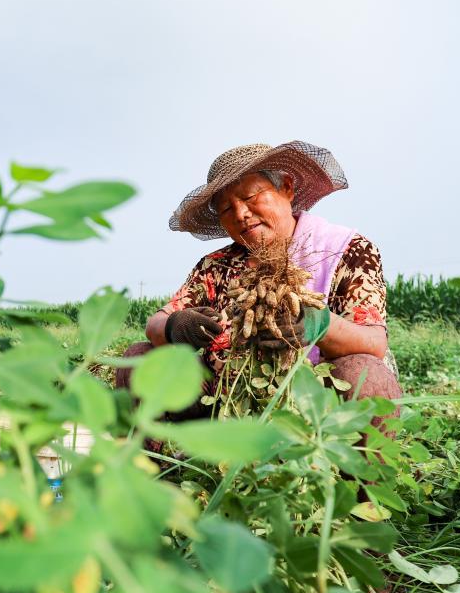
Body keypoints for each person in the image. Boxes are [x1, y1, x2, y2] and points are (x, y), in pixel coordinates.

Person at [118, 142, 401, 417]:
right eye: (227, 209)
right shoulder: (215, 266)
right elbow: (155, 324)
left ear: (287, 188)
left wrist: (319, 324)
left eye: (250, 197)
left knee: (366, 375)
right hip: (224, 403)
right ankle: (160, 459)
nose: (241, 214)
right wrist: (173, 327)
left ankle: (344, 462)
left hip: (315, 403)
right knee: (140, 358)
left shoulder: (347, 249)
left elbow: (373, 341)